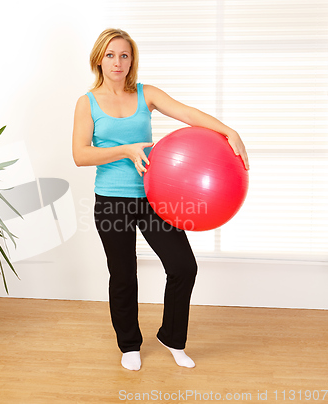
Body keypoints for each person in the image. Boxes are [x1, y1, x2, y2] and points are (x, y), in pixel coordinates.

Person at [72, 28, 249, 371]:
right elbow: (80, 155)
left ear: (132, 60)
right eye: (110, 55)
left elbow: (188, 114)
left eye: (124, 55)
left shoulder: (145, 94)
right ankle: (129, 344)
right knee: (123, 275)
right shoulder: (87, 102)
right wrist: (125, 150)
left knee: (183, 267)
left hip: (156, 198)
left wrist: (229, 131)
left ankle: (172, 337)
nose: (117, 62)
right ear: (99, 59)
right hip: (112, 201)